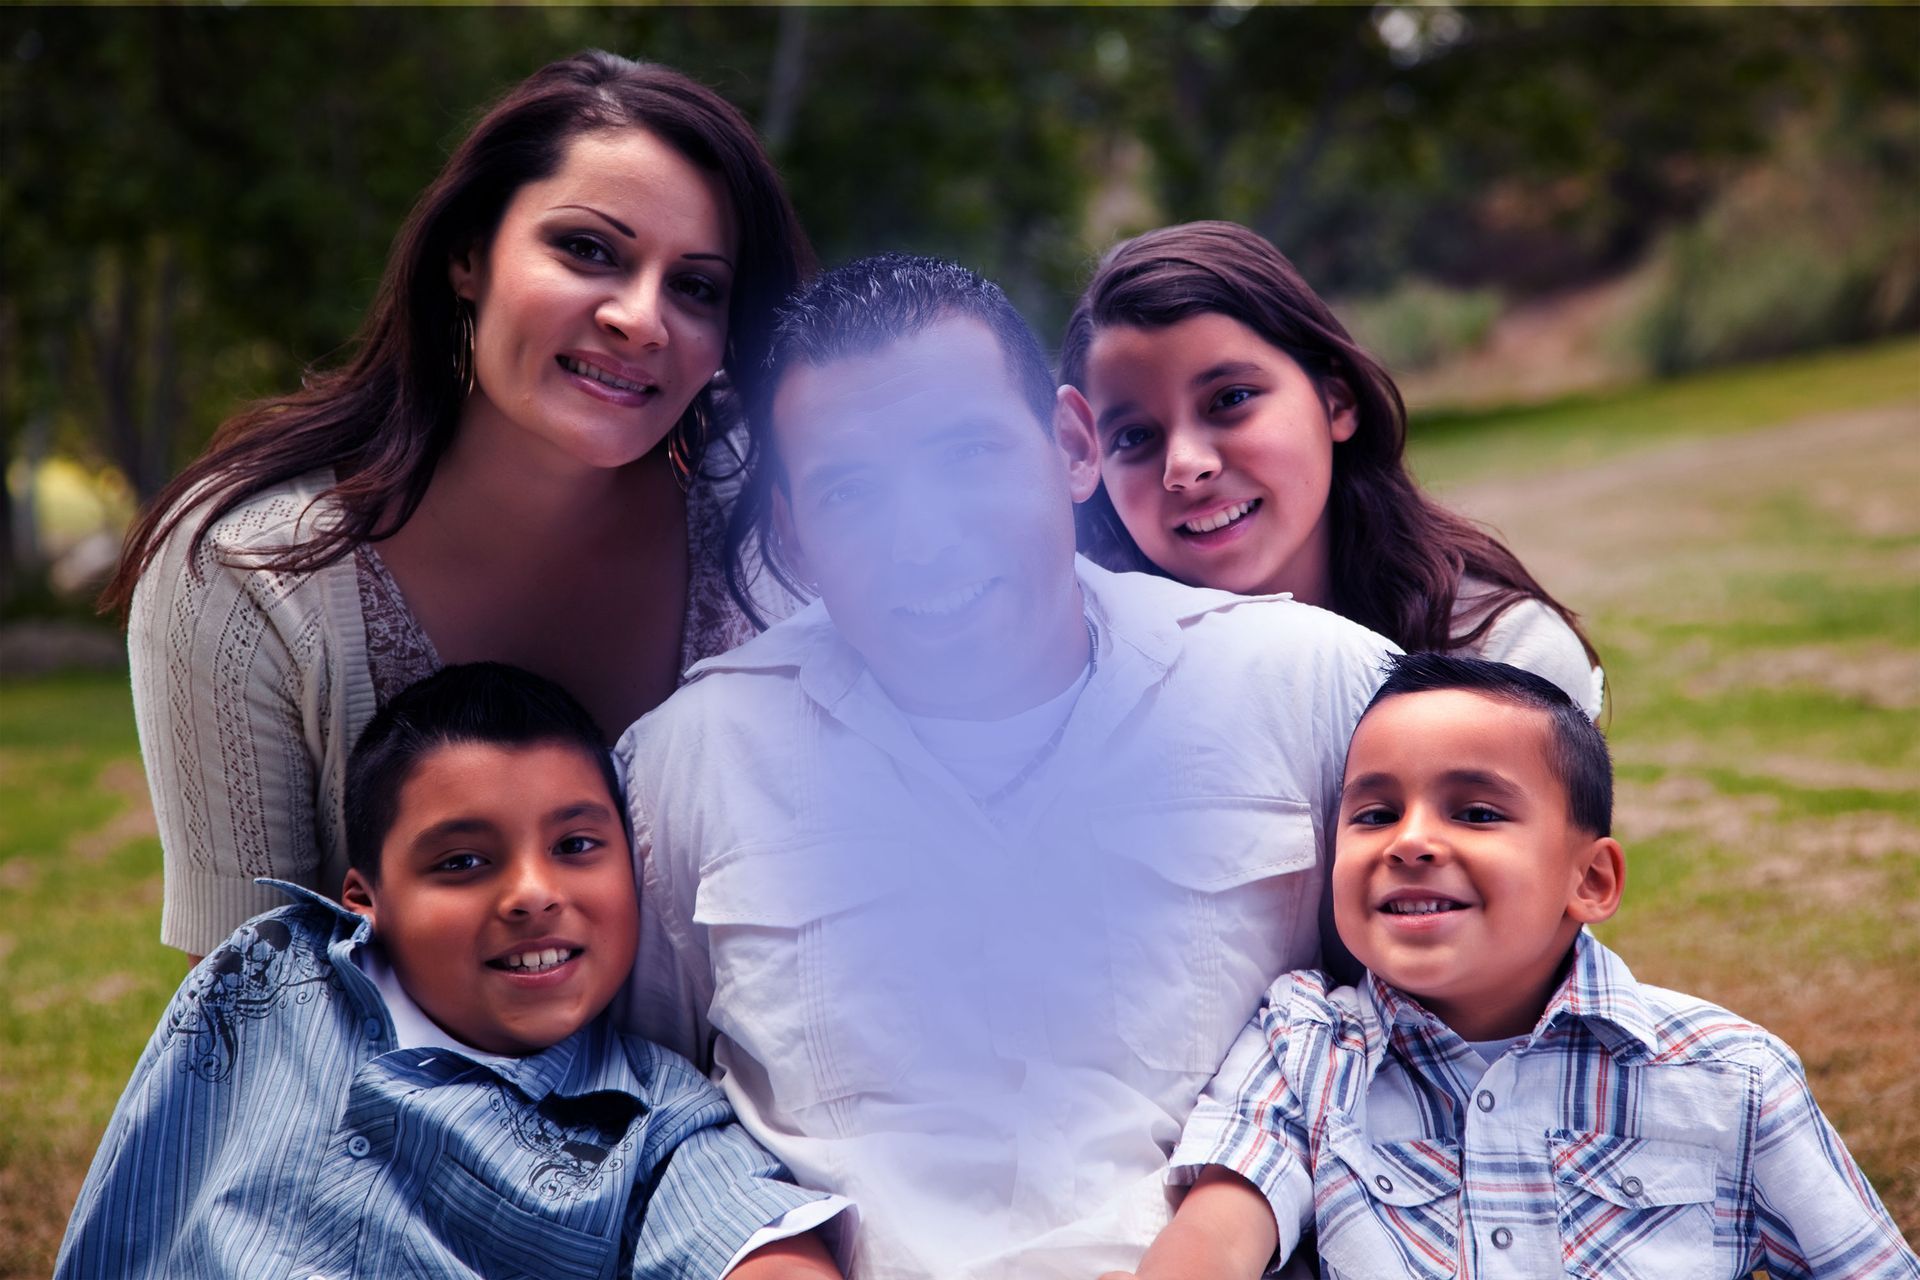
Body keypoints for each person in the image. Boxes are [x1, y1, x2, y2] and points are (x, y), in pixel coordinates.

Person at [620, 253, 1399, 1278]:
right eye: (852, 489)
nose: (925, 537)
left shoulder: (1311, 690)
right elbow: (641, 1106)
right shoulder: (689, 763)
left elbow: (1464, 1044)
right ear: (794, 531)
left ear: (1072, 447)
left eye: (967, 455)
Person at [99, 50, 812, 960]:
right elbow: (250, 1010)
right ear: (467, 254)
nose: (642, 318)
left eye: (696, 287)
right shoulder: (248, 578)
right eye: (588, 249)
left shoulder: (779, 510)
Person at [1111, 654, 1918, 1280]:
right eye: (1375, 812)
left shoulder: (1730, 1076)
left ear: (1590, 880)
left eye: (1476, 812)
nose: (1411, 840)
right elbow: (1217, 1231)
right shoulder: (1305, 1048)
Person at [57, 662, 848, 1280]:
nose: (534, 894)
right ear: (367, 900)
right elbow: (140, 1185)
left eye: (575, 846)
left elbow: (751, 1239)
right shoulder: (268, 976)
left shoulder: (655, 1123)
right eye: (464, 861)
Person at [1057, 221, 1603, 718]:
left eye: (1230, 399)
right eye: (1133, 436)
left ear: (1337, 400)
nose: (1185, 466)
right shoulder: (1083, 685)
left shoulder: (1502, 661)